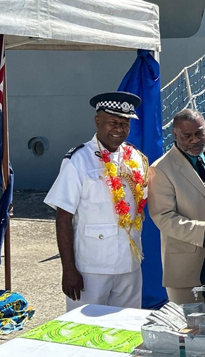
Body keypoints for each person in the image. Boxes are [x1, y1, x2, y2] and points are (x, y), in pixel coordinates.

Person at [44, 91, 148, 311]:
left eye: (125, 123)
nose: (119, 129)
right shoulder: (78, 160)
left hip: (129, 265)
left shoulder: (136, 159)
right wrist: (68, 269)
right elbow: (63, 217)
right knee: (83, 334)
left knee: (126, 330)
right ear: (97, 121)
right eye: (112, 122)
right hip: (91, 268)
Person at [148, 108, 205, 306]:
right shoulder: (160, 169)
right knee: (189, 329)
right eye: (187, 136)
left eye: (200, 133)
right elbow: (163, 217)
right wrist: (202, 231)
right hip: (187, 268)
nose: (195, 140)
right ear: (175, 134)